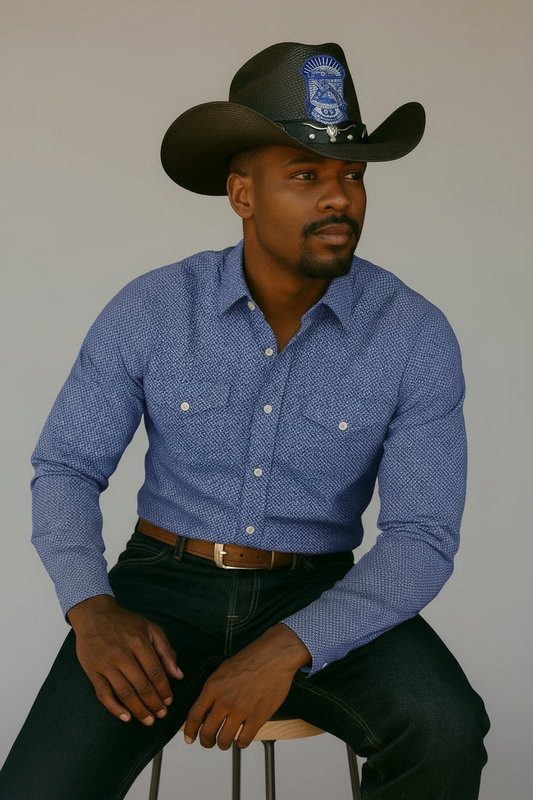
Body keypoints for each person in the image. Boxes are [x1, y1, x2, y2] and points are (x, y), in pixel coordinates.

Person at [0, 41, 489, 799]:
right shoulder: (153, 309)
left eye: (352, 176)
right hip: (161, 587)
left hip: (316, 591)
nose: (340, 199)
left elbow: (422, 534)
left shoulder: (413, 334)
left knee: (444, 729)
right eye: (306, 176)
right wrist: (91, 609)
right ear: (242, 194)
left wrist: (288, 647)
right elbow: (66, 465)